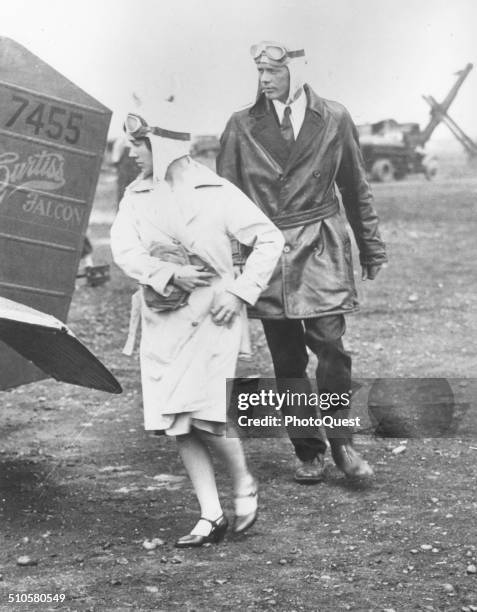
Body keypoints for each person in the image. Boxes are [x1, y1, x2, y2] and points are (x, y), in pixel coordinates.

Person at [110, 105, 284, 546]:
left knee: (206, 413)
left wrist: (241, 291)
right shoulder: (136, 196)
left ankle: (243, 480)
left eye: (140, 144)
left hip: (215, 313)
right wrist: (167, 273)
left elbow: (269, 239)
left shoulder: (215, 190)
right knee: (178, 419)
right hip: (164, 317)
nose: (132, 153)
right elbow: (124, 251)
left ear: (165, 147)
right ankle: (210, 514)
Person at [217, 40, 387, 483]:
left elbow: (355, 186)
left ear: (298, 73)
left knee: (332, 348)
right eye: (260, 72)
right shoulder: (239, 126)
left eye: (273, 71)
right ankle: (308, 451)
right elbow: (225, 202)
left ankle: (343, 444)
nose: (265, 80)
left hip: (321, 245)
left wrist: (370, 247)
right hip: (267, 254)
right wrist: (235, 263)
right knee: (287, 359)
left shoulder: (334, 117)